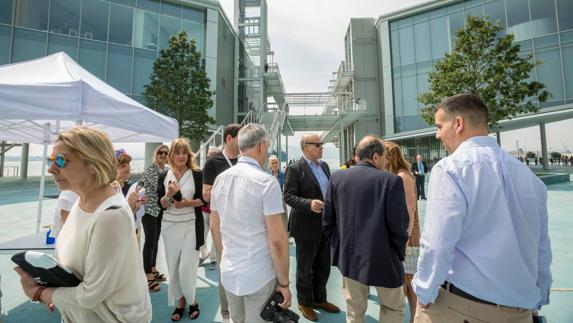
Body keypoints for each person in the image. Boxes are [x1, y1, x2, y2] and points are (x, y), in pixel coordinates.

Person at [413, 93, 552, 322]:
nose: (437, 134)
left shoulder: (450, 169)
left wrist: (424, 291)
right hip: (520, 310)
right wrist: (539, 296)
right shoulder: (529, 177)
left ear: (458, 123)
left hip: (460, 307)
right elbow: (541, 248)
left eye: (439, 126)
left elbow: (437, 243)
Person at [15, 126, 151, 322]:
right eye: (51, 160)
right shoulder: (82, 201)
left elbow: (90, 295)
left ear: (92, 164)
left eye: (61, 160)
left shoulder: (110, 216)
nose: (51, 168)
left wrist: (39, 292)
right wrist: (60, 292)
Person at [210, 123, 292, 323]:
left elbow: (214, 227)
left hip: (230, 272)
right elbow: (278, 241)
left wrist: (225, 261)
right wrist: (284, 283)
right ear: (262, 145)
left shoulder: (220, 180)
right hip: (259, 275)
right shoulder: (266, 183)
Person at [323, 136, 409, 323]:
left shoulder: (337, 177)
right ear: (376, 157)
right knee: (393, 308)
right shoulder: (391, 181)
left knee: (354, 312)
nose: (387, 161)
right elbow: (399, 226)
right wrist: (399, 252)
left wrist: (341, 247)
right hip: (385, 257)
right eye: (385, 157)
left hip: (349, 258)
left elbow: (328, 221)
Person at [284, 133, 340, 321]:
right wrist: (309, 204)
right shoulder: (294, 168)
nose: (321, 147)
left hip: (325, 225)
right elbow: (288, 196)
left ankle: (319, 299)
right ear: (305, 147)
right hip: (306, 226)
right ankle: (305, 303)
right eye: (317, 144)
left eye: (321, 144)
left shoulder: (324, 166)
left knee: (323, 266)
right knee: (305, 268)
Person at [158, 138, 206, 321]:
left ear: (188, 155)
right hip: (169, 226)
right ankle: (180, 302)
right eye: (177, 152)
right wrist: (168, 195)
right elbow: (161, 205)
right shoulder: (164, 176)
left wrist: (187, 203)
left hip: (191, 225)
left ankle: (193, 300)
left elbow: (204, 200)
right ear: (171, 155)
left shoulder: (196, 174)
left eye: (184, 152)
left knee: (187, 267)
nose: (181, 156)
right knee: (173, 267)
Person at [202, 124, 242, 322]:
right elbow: (206, 194)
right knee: (224, 269)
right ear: (228, 138)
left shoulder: (247, 160)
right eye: (239, 137)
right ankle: (227, 314)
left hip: (245, 225)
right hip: (223, 225)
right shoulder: (213, 163)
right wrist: (231, 187)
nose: (243, 141)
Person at [383, 141, 420, 323]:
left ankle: (414, 318)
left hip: (407, 238)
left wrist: (404, 239)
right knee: (404, 281)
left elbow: (410, 209)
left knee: (410, 282)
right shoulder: (395, 175)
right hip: (401, 236)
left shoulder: (403, 176)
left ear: (389, 157)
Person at [139, 144, 169, 291]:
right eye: (160, 153)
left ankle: (153, 268)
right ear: (156, 154)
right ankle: (147, 275)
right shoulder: (151, 169)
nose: (163, 155)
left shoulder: (167, 169)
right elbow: (160, 187)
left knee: (156, 239)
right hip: (148, 209)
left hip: (158, 209)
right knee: (150, 241)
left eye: (165, 153)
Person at [199, 146, 222, 268]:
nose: (208, 158)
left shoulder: (222, 171)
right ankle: (204, 252)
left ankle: (214, 259)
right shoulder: (204, 170)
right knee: (201, 234)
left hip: (216, 209)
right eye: (208, 156)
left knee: (215, 233)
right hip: (204, 207)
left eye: (211, 156)